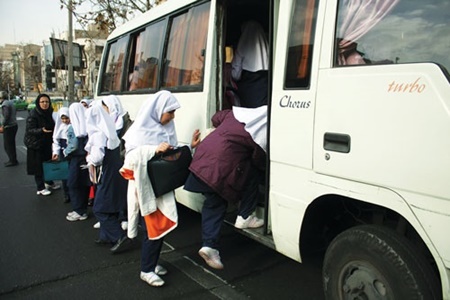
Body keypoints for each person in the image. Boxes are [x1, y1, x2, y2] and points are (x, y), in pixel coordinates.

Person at [119, 90, 200, 287]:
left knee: (159, 230)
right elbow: (129, 160)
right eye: (170, 112)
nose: (172, 117)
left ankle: (152, 264)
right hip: (146, 189)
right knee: (153, 230)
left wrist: (190, 147)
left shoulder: (166, 129)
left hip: (161, 188)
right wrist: (152, 150)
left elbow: (170, 156)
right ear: (158, 110)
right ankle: (146, 270)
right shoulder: (139, 131)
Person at [184, 105, 267, 270]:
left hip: (201, 161)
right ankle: (243, 218)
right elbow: (259, 161)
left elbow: (216, 117)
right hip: (218, 171)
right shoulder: (257, 134)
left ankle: (209, 245)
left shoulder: (233, 115)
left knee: (212, 202)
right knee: (250, 177)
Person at [85, 101, 128, 250]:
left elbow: (96, 158)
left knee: (100, 208)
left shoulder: (98, 134)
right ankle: (105, 235)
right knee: (110, 204)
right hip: (115, 172)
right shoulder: (109, 132)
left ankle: (118, 236)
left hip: (106, 174)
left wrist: (89, 159)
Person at [24, 94, 61, 196]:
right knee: (38, 167)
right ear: (38, 103)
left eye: (47, 102)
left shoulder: (50, 112)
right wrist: (41, 130)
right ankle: (40, 187)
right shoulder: (33, 114)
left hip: (47, 143)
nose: (45, 104)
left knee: (47, 163)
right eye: (42, 102)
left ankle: (49, 182)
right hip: (35, 144)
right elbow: (30, 129)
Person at [231, 20, 269, 108]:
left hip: (248, 89)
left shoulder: (241, 48)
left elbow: (235, 74)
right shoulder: (267, 49)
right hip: (264, 87)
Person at [64, 103, 91, 221]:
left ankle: (78, 210)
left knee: (73, 184)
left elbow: (73, 145)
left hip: (75, 158)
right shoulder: (88, 125)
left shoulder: (72, 127)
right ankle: (83, 209)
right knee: (84, 184)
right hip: (85, 157)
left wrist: (65, 151)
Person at [51, 107, 71, 203]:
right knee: (65, 175)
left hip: (72, 153)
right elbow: (56, 141)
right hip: (63, 153)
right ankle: (66, 194)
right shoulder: (59, 128)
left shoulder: (74, 126)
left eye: (66, 118)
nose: (64, 120)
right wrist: (55, 152)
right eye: (62, 119)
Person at [0, 91, 18, 167]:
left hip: (9, 126)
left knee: (8, 145)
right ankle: (13, 159)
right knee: (11, 144)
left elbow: (6, 116)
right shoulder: (11, 103)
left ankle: (12, 160)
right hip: (14, 125)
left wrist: (2, 125)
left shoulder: (5, 105)